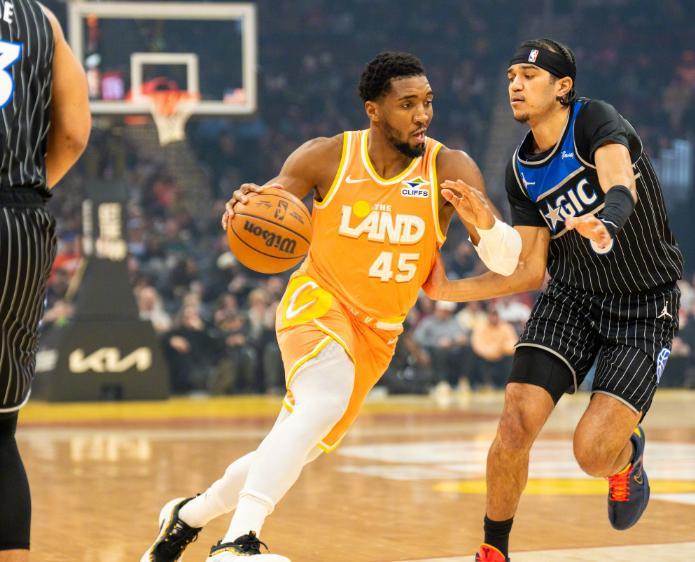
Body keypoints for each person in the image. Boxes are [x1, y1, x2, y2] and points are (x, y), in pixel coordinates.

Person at [141, 51, 521, 562]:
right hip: (319, 302)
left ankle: (187, 515)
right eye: (407, 104)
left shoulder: (449, 167)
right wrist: (245, 207)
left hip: (378, 335)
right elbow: (271, 202)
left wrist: (488, 224)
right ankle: (237, 542)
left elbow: (507, 261)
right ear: (374, 110)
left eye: (427, 103)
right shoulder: (327, 156)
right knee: (320, 405)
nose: (422, 115)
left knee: (294, 446)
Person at [424, 38, 683, 562]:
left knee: (592, 454)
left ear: (563, 87)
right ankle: (493, 550)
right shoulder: (520, 168)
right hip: (572, 299)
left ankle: (626, 456)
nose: (515, 85)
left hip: (642, 304)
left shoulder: (595, 121)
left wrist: (605, 224)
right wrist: (449, 290)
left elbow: (621, 185)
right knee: (515, 420)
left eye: (528, 76)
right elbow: (529, 269)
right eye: (510, 77)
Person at [0, 2, 91, 560]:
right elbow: (75, 133)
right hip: (20, 225)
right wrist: (27, 190)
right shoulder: (43, 20)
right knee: (0, 429)